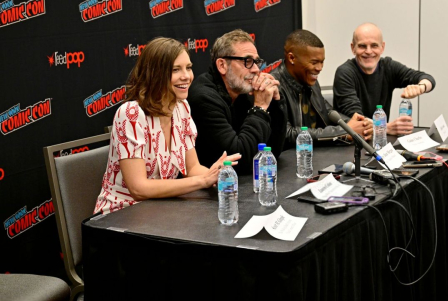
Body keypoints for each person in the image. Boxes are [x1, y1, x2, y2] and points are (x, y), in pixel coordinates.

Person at [94, 37, 240, 215]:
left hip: (160, 209)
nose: (186, 76)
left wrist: (217, 176)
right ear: (155, 74)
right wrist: (203, 181)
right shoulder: (131, 114)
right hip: (121, 214)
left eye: (189, 67)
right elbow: (139, 189)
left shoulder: (182, 107)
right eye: (175, 70)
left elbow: (192, 168)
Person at [187, 29, 287, 173]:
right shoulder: (204, 97)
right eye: (247, 61)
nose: (256, 69)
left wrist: (275, 104)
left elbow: (272, 151)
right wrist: (259, 108)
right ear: (222, 65)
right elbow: (239, 159)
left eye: (256, 62)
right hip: (213, 189)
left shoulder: (243, 91)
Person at [270, 29, 372, 149]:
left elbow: (326, 111)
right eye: (314, 62)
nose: (319, 68)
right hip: (288, 161)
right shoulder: (273, 86)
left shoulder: (309, 79)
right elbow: (287, 134)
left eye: (322, 62)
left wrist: (355, 124)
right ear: (292, 58)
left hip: (314, 155)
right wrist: (343, 132)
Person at [333, 23, 436, 136]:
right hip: (351, 144)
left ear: (382, 47)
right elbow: (358, 121)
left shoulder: (388, 66)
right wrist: (386, 128)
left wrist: (421, 87)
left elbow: (428, 79)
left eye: (374, 46)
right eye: (362, 46)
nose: (368, 51)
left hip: (379, 141)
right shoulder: (345, 73)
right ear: (353, 48)